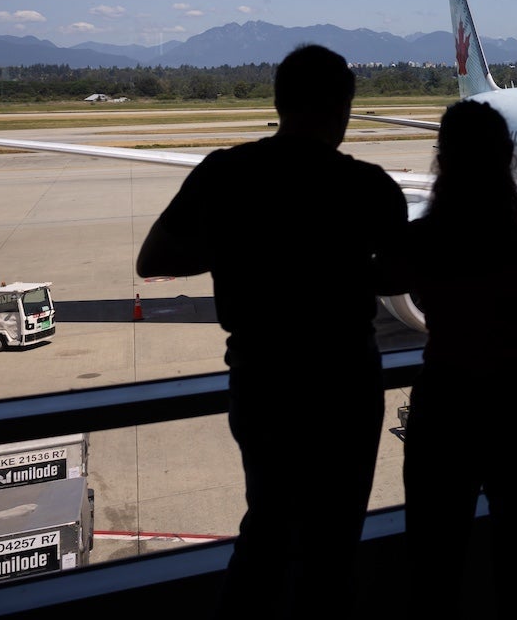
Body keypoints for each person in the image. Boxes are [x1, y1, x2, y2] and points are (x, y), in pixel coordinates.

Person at [135, 44, 408, 619]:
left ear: (279, 103)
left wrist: (244, 249)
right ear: (345, 110)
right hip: (345, 383)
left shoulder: (225, 172)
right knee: (335, 545)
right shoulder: (371, 186)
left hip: (264, 379)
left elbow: (153, 257)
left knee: (267, 528)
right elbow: (404, 273)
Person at [393, 99, 517, 618]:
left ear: (442, 161)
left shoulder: (422, 239)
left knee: (434, 564)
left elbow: (376, 279)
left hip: (445, 401)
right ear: (508, 162)